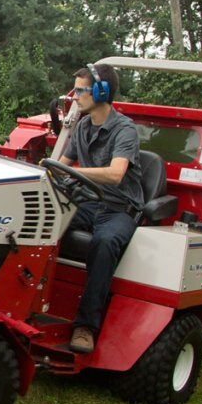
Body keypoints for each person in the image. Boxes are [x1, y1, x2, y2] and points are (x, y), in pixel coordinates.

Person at [59, 63, 143, 354]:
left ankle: (86, 327)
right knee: (48, 221)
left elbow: (116, 174)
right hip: (89, 202)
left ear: (101, 92)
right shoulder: (81, 127)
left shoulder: (125, 130)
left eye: (81, 90)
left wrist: (74, 173)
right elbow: (61, 167)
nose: (76, 96)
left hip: (119, 209)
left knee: (104, 242)